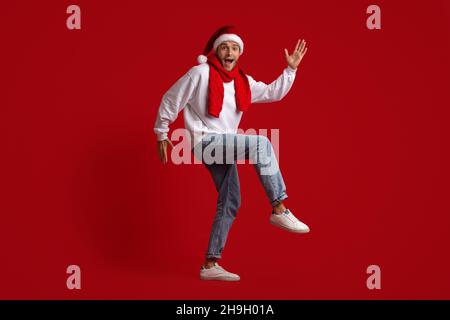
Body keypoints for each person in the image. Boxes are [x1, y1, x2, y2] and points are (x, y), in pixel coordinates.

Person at [154, 26, 309, 281]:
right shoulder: (201, 73)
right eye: (224, 47)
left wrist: (290, 69)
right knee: (261, 145)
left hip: (224, 144)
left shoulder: (242, 82)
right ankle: (279, 209)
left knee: (230, 200)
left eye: (235, 48)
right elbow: (172, 99)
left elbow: (272, 93)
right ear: (216, 51)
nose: (229, 52)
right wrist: (162, 133)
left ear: (239, 54)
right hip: (205, 142)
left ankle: (210, 264)